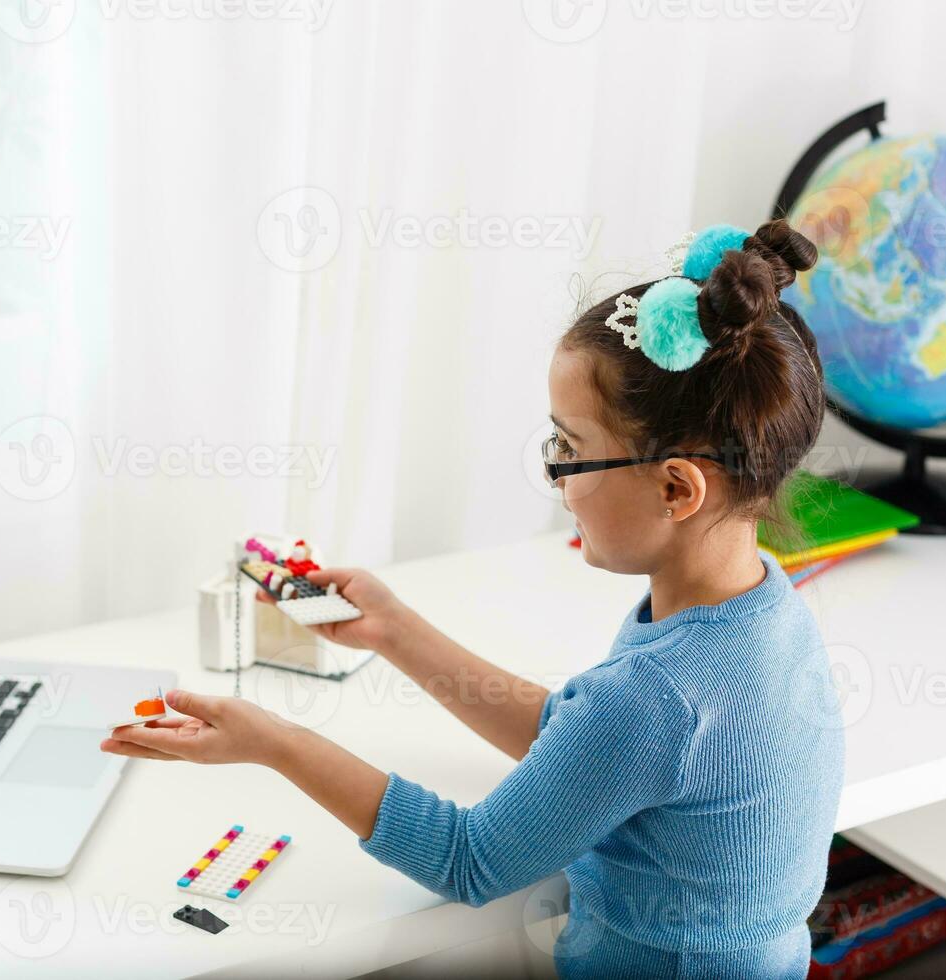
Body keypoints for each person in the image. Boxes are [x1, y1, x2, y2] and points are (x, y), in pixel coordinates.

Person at [101, 221, 845, 978]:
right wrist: (396, 630)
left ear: (676, 487)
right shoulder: (765, 613)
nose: (559, 479)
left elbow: (470, 860)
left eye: (569, 450)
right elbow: (582, 745)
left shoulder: (656, 698)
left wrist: (274, 742)